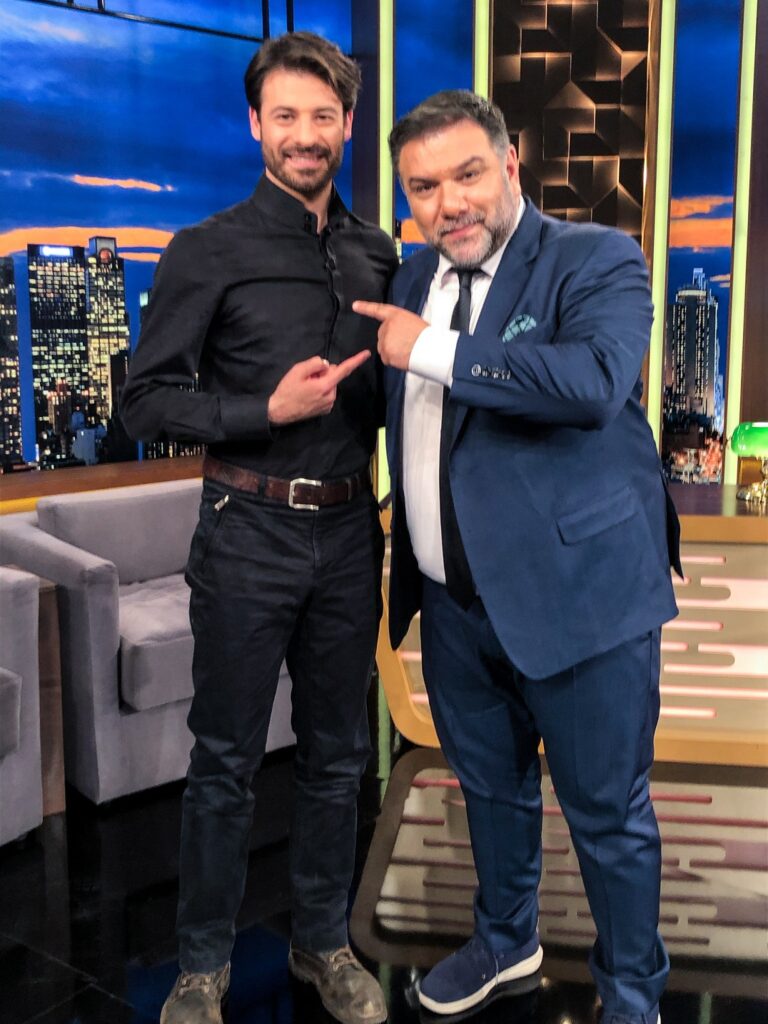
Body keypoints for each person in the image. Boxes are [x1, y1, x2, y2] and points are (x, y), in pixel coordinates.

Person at [353, 90, 681, 1024]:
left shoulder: (596, 257)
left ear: (509, 164)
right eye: (423, 187)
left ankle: (633, 999)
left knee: (607, 816)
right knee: (490, 795)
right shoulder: (411, 280)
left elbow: (593, 383)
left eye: (466, 174)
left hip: (582, 602)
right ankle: (505, 940)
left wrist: (436, 351)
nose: (448, 203)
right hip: (454, 605)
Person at [121, 31, 397, 1024]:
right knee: (226, 762)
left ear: (347, 124)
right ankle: (202, 967)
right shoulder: (207, 250)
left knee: (337, 759)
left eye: (323, 116)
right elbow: (142, 400)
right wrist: (260, 410)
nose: (305, 134)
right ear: (255, 124)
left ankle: (324, 942)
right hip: (246, 531)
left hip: (351, 534)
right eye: (286, 115)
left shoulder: (378, 254)